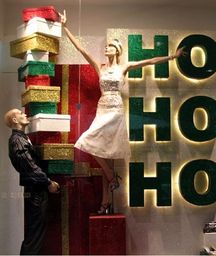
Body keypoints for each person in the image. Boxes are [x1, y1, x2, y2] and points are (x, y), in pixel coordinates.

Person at [59, 10, 185, 214]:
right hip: (102, 108)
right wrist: (65, 27)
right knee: (91, 144)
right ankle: (110, 182)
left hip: (116, 109)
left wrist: (173, 56)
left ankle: (106, 196)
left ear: (116, 50)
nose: (106, 49)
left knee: (103, 152)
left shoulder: (124, 67)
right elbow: (82, 49)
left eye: (110, 47)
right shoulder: (100, 68)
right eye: (106, 47)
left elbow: (150, 61)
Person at [4, 108, 60, 255]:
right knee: (34, 234)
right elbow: (30, 166)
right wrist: (48, 182)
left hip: (35, 189)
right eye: (21, 114)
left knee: (35, 232)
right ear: (15, 120)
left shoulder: (22, 138)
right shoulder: (17, 140)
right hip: (36, 191)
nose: (25, 114)